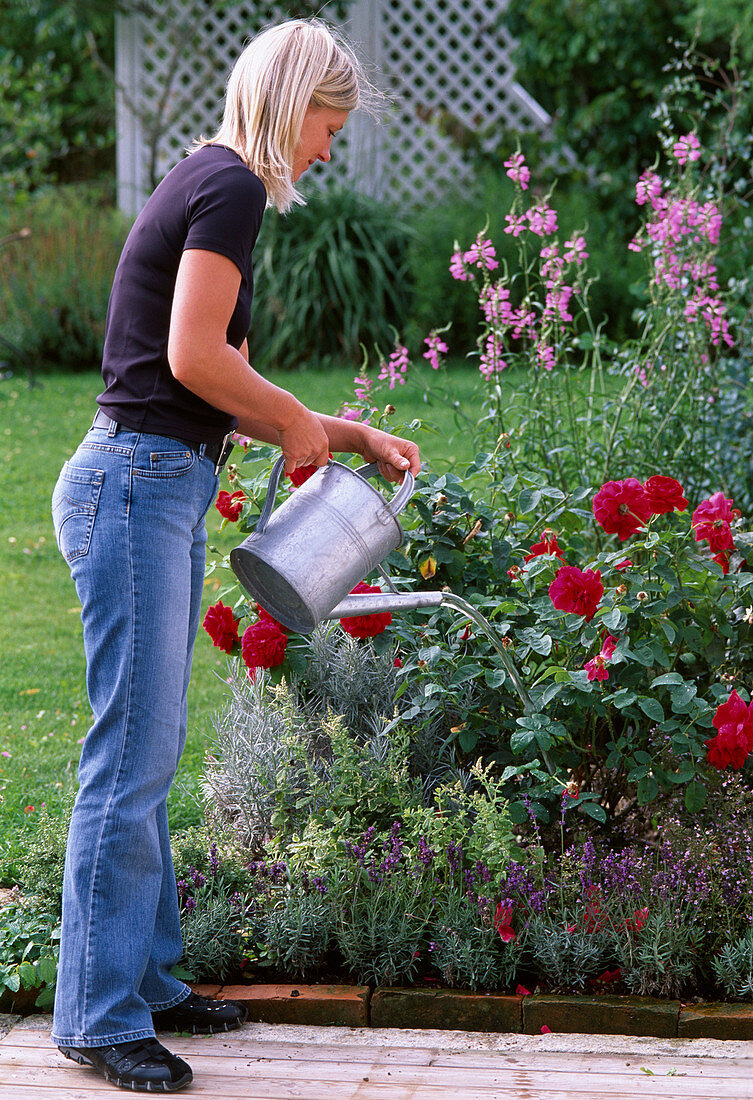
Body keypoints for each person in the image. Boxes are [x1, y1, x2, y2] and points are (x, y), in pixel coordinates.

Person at [50, 17, 420, 1092]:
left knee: (146, 750)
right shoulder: (232, 186)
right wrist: (304, 429)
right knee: (130, 752)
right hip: (137, 486)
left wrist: (334, 432)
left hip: (151, 480)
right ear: (293, 98)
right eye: (328, 125)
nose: (325, 149)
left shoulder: (210, 181)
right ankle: (97, 1013)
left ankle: (148, 981)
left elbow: (219, 381)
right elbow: (190, 353)